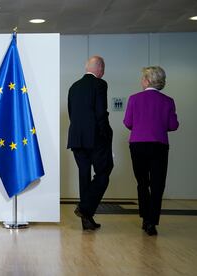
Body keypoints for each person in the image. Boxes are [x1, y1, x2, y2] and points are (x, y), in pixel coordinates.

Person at [123, 66, 179, 236]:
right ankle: (151, 222)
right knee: (157, 184)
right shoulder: (168, 101)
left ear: (147, 80)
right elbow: (172, 125)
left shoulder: (134, 99)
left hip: (138, 145)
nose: (141, 81)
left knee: (142, 183)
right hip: (159, 145)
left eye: (142, 78)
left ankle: (144, 217)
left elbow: (128, 123)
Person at [67, 56, 114, 231]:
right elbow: (101, 113)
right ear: (100, 69)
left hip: (76, 138)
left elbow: (72, 113)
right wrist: (107, 134)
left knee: (84, 176)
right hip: (95, 138)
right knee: (104, 170)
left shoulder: (74, 86)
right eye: (103, 69)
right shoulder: (100, 85)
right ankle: (85, 208)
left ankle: (86, 220)